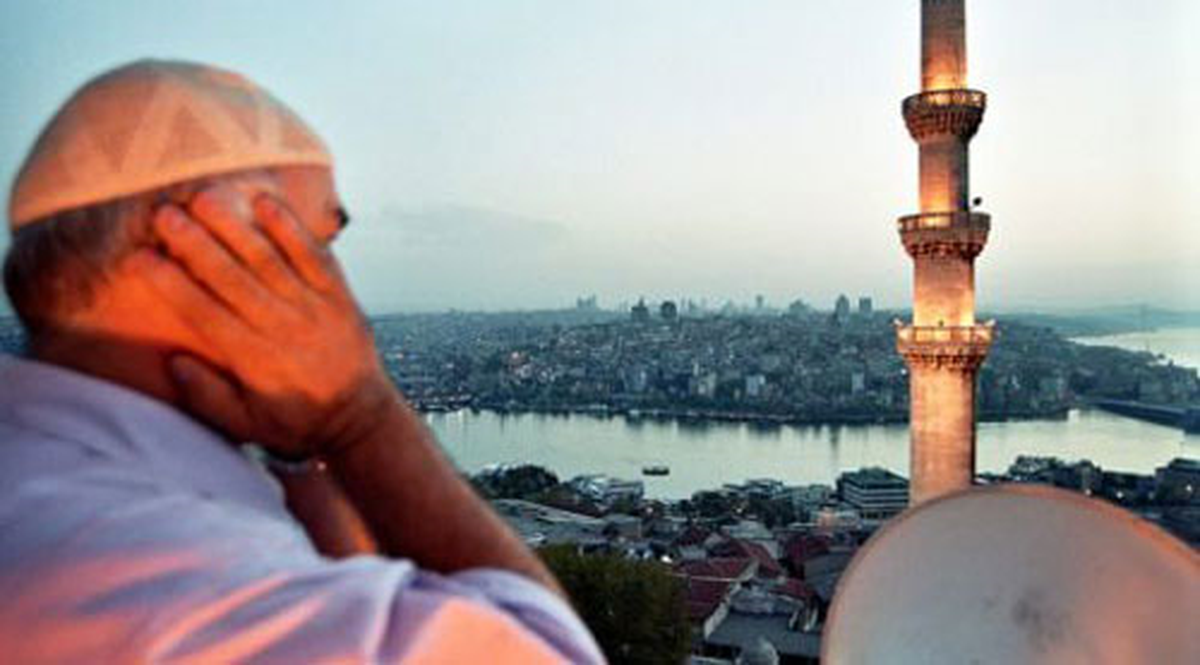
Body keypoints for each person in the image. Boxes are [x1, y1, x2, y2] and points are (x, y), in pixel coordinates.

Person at [0, 59, 604, 664]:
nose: (336, 286)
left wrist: (297, 449)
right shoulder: (168, 580)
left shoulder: (51, 475)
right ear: (201, 241)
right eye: (319, 242)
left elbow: (351, 588)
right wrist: (360, 416)